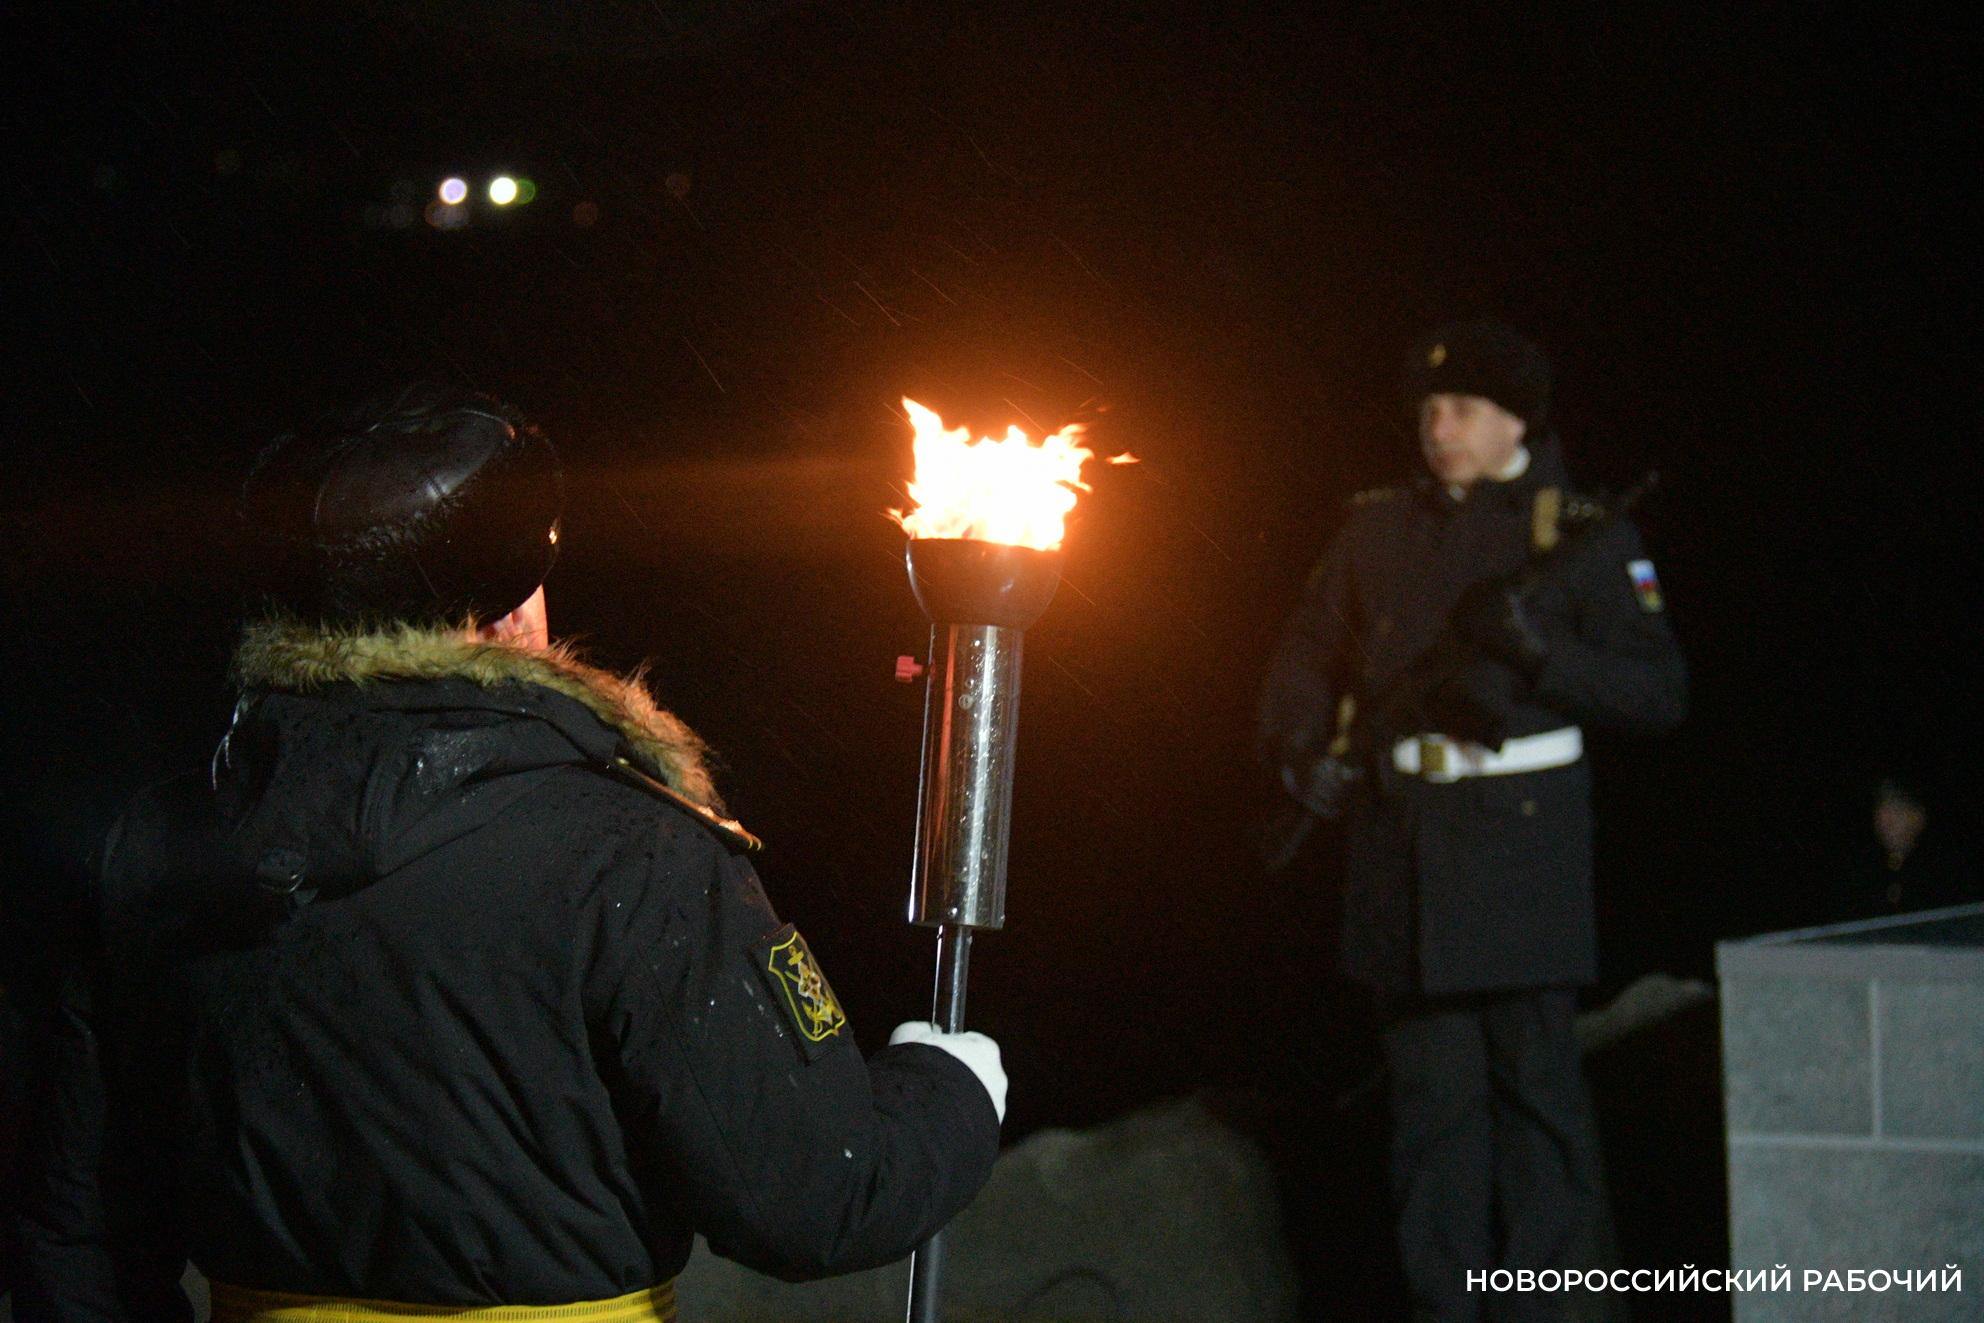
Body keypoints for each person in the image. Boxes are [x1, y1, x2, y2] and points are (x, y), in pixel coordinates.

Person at [12, 387, 1006, 1321]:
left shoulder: (154, 847)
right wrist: (948, 1092)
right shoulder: (632, 854)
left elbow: (76, 1228)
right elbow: (817, 1195)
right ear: (512, 610)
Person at [1258, 322, 1686, 1322]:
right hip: (1402, 850)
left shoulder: (1577, 532)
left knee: (1539, 1108)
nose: (1435, 426)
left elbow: (1660, 691)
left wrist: (1543, 656)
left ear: (1514, 421)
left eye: (1458, 408)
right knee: (1429, 1121)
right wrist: (1296, 754)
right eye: (1425, 409)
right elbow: (1302, 652)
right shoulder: (1373, 530)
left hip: (1519, 854)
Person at [1831, 774, 1979, 921]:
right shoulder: (1861, 868)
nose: (1886, 820)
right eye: (1882, 809)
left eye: (1897, 809)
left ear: (1918, 816)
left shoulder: (1944, 869)